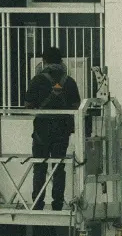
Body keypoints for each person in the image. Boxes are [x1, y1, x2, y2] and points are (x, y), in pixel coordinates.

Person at [24, 47, 80, 211]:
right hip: (62, 130)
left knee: (39, 166)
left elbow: (28, 104)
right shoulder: (69, 81)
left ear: (45, 61)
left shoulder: (37, 80)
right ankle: (57, 203)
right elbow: (76, 105)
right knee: (58, 167)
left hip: (42, 129)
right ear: (61, 61)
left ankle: (37, 202)